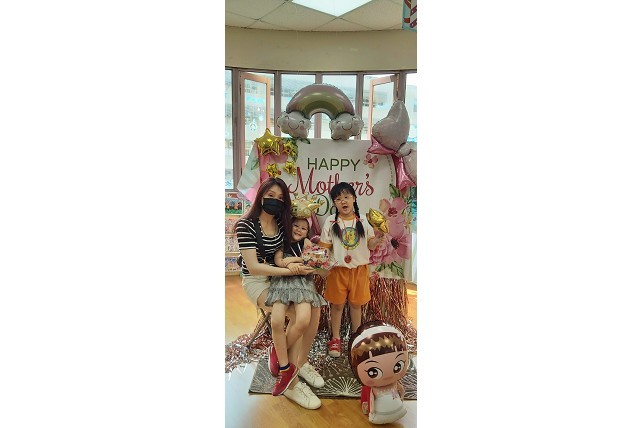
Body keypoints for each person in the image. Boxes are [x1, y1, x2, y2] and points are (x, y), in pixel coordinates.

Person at [234, 177, 322, 409]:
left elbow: (295, 250)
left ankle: (298, 362)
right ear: (260, 195)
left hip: (282, 278)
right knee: (296, 316)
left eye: (280, 198)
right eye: (270, 195)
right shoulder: (246, 225)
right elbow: (254, 267)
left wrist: (308, 264)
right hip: (258, 281)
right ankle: (291, 381)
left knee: (315, 309)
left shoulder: (283, 224)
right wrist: (289, 270)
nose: (275, 200)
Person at [318, 182, 386, 357]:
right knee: (337, 306)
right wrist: (317, 263)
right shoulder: (331, 221)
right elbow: (324, 247)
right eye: (338, 199)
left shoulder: (363, 220)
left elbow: (370, 244)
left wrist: (376, 241)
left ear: (354, 199)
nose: (343, 201)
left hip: (359, 271)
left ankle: (357, 338)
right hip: (337, 271)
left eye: (347, 197)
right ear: (334, 203)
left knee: (356, 305)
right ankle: (335, 338)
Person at [265, 216, 327, 396]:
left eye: (304, 228)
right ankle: (286, 369)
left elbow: (316, 263)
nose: (299, 230)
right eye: (296, 225)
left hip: (303, 285)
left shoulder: (307, 243)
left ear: (308, 232)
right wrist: (295, 262)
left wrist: (303, 263)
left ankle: (277, 351)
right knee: (277, 321)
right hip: (282, 283)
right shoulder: (282, 241)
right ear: (289, 225)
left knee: (303, 321)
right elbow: (279, 261)